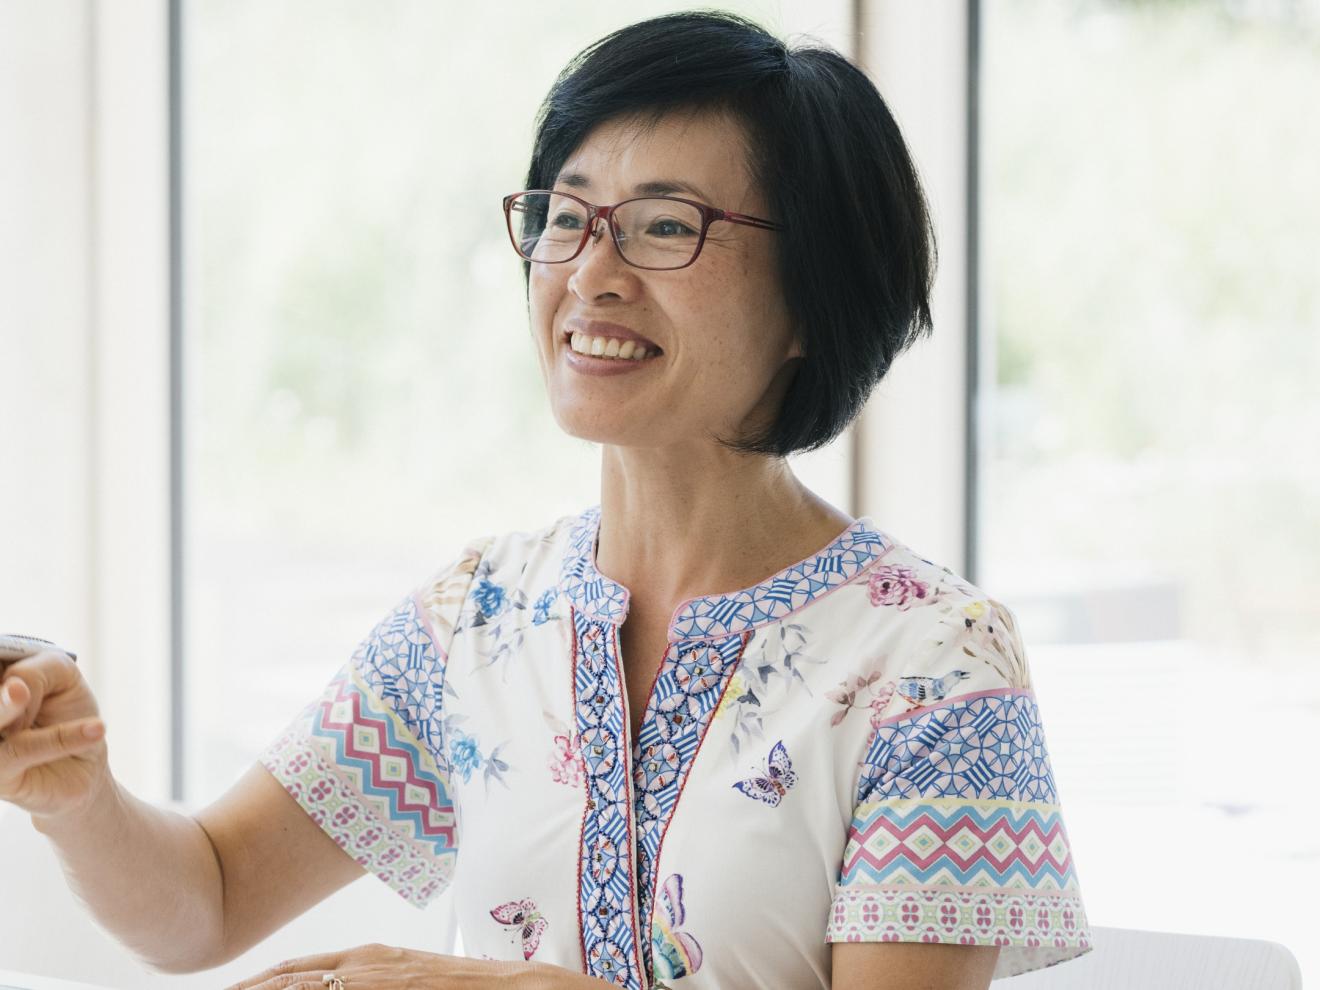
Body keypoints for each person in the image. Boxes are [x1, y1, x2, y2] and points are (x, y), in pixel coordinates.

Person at [0, 11, 1092, 990]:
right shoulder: (476, 617)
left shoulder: (934, 662)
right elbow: (214, 900)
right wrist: (79, 796)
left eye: (666, 227)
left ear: (818, 291)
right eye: (565, 217)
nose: (590, 272)